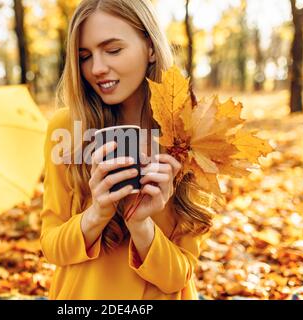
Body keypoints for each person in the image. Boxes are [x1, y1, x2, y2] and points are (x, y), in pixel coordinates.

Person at [40, 0, 215, 300]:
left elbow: (178, 277)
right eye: (84, 56)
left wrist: (140, 224)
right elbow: (52, 247)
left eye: (113, 50)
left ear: (149, 46)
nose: (96, 68)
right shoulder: (67, 128)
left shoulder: (191, 132)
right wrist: (96, 215)